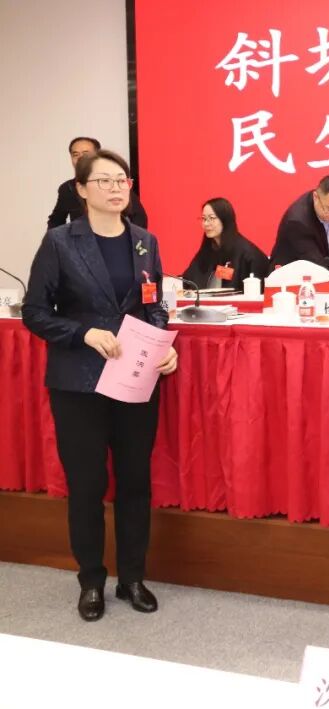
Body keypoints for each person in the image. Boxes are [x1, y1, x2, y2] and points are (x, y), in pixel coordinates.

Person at [22, 149, 177, 622]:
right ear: (81, 190)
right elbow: (35, 313)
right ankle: (91, 580)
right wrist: (83, 333)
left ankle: (133, 577)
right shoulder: (60, 242)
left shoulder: (144, 241)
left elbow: (154, 304)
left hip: (135, 380)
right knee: (87, 485)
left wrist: (164, 346)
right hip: (79, 383)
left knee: (135, 482)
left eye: (122, 180)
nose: (115, 188)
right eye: (104, 181)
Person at [47, 137, 149, 229]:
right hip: (81, 240)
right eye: (75, 154)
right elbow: (56, 220)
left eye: (86, 153)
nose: (80, 158)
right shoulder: (67, 188)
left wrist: (130, 240)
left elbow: (139, 217)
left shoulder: (115, 183)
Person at [181, 197, 270, 290]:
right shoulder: (207, 251)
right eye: (204, 219)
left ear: (225, 220)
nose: (206, 223)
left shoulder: (248, 254)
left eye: (211, 218)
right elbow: (188, 280)